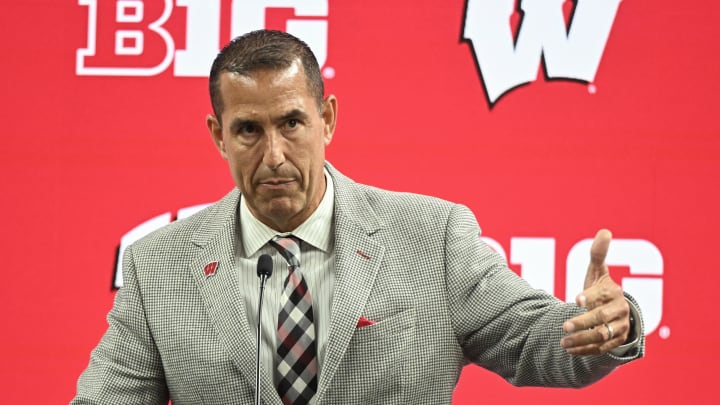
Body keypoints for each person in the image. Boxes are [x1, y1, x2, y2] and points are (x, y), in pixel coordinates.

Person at [73, 30, 644, 404]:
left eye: (291, 123)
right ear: (218, 135)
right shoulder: (159, 266)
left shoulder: (433, 237)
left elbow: (533, 342)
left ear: (327, 119)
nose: (273, 155)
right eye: (249, 130)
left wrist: (602, 328)